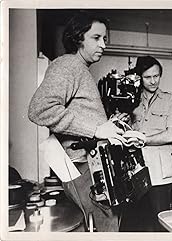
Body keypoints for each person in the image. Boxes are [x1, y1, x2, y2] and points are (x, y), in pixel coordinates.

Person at [28, 11, 126, 231]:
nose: (103, 44)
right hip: (83, 167)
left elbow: (80, 113)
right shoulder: (68, 65)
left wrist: (108, 123)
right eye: (96, 38)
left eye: (105, 39)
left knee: (101, 224)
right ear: (78, 37)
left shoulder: (79, 69)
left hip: (89, 165)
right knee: (104, 225)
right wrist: (96, 129)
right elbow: (39, 109)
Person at [119, 56, 172, 231]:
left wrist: (144, 139)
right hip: (135, 171)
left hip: (160, 174)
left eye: (157, 76)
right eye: (148, 77)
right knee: (138, 223)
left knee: (160, 222)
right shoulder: (132, 102)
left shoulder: (171, 100)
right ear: (139, 77)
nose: (153, 81)